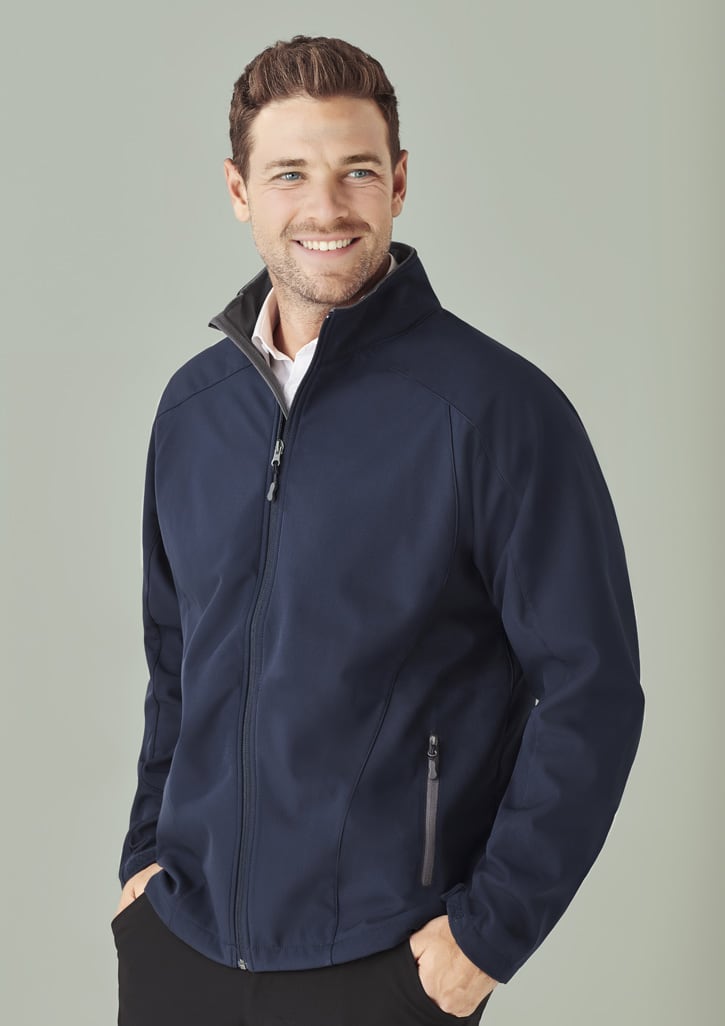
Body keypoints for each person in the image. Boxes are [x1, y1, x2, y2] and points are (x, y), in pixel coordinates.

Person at [112, 35, 644, 1026]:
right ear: (238, 190)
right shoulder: (193, 411)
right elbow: (175, 663)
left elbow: (593, 688)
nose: (325, 208)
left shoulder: (493, 413)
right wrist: (145, 860)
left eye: (356, 171)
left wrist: (486, 937)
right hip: (178, 949)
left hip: (382, 964)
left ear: (398, 182)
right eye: (288, 174)